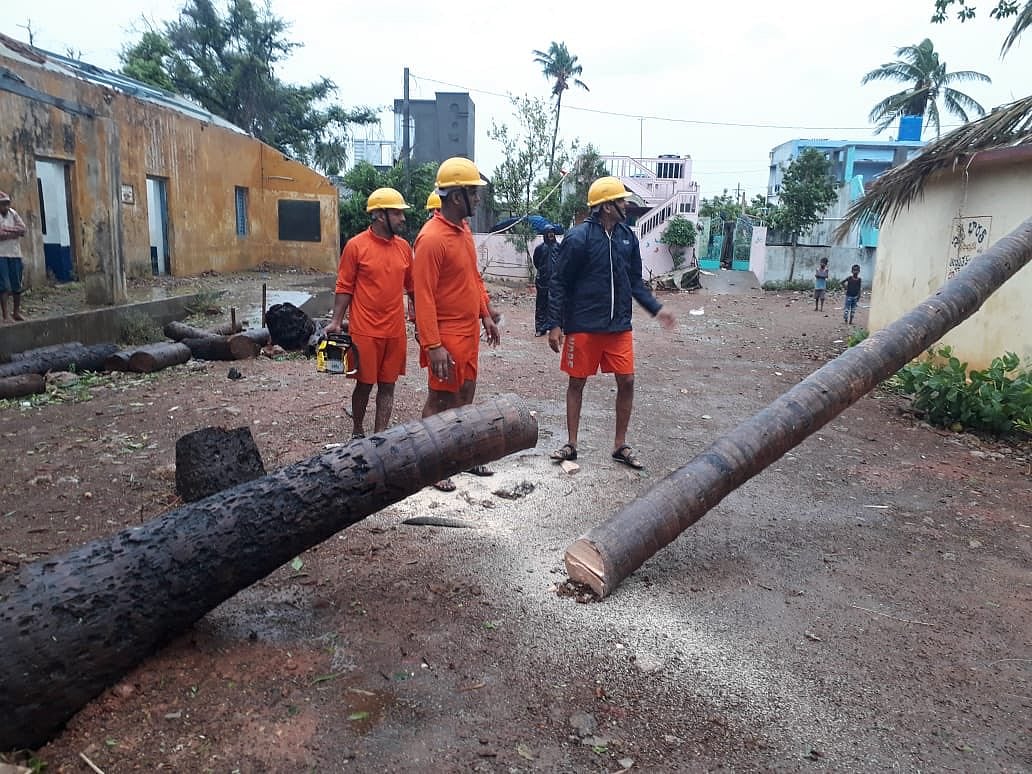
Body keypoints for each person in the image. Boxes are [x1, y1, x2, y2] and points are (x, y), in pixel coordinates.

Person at [546, 176, 676, 470]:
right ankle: (572, 443)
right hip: (583, 325)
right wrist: (555, 323)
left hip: (618, 326)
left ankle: (619, 445)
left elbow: (634, 282)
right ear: (606, 207)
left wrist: (657, 309)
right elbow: (559, 282)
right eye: (621, 201)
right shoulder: (578, 239)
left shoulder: (627, 238)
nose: (627, 205)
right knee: (577, 382)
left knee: (627, 380)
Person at [413, 157, 501, 491]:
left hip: (468, 332)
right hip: (445, 335)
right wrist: (433, 345)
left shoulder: (462, 231)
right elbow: (423, 297)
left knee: (466, 392)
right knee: (439, 399)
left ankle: (463, 455)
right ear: (455, 197)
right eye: (473, 193)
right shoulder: (431, 239)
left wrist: (486, 314)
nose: (478, 199)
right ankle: (433, 465)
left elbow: (472, 278)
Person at [324, 188, 415, 439]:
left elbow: (413, 286)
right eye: (396, 213)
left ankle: (380, 437)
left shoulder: (404, 248)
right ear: (378, 215)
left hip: (395, 332)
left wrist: (418, 321)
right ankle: (357, 432)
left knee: (388, 385)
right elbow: (344, 286)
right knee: (364, 384)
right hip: (364, 331)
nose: (402, 219)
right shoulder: (356, 246)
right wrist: (336, 321)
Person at [0, 191, 28, 323]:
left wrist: (7, 230)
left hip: (15, 254)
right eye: (3, 204)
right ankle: (6, 315)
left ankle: (16, 312)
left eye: (7, 204)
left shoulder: (13, 213)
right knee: (4, 286)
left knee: (17, 285)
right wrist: (14, 231)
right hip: (1, 255)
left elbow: (23, 229)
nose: (5, 207)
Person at [533, 226, 560, 336]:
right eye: (548, 232)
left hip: (556, 281)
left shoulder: (559, 247)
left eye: (552, 232)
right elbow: (536, 262)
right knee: (541, 305)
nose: (551, 234)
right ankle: (540, 328)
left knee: (556, 304)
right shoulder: (540, 248)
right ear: (545, 234)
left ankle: (556, 327)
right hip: (542, 281)